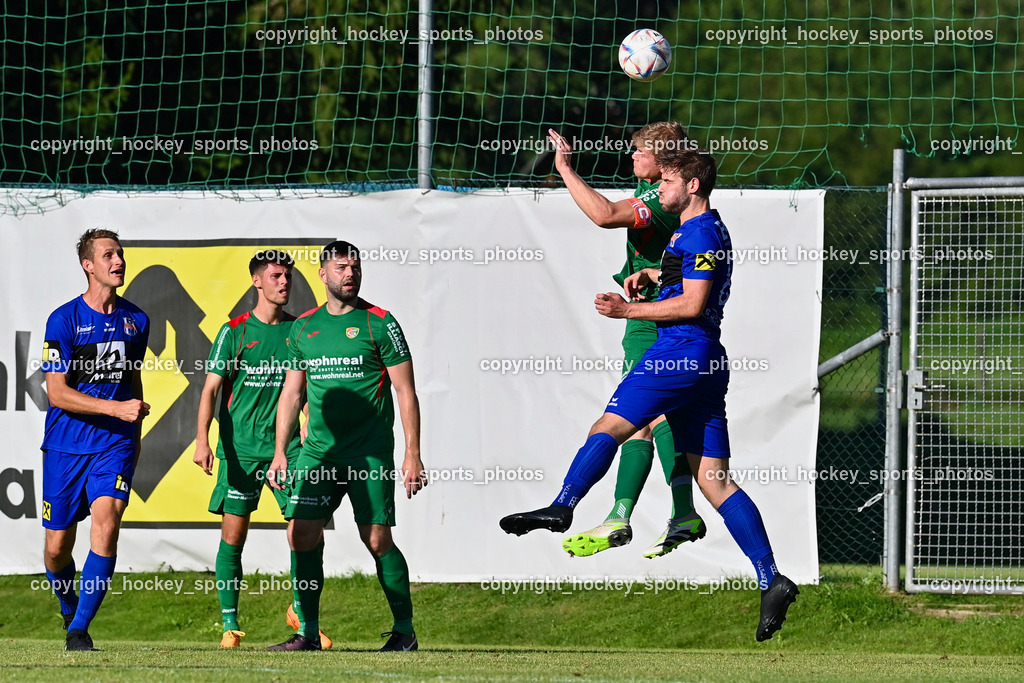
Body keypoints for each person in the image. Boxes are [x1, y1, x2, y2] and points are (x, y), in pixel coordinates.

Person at [500, 149, 799, 641]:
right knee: (714, 481)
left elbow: (695, 301)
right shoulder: (703, 229)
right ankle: (771, 578)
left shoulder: (699, 231)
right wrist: (656, 277)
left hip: (679, 352)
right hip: (705, 362)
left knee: (609, 427)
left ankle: (563, 505)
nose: (658, 190)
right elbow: (692, 280)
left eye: (667, 183)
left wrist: (626, 312)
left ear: (693, 186)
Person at [546, 123, 705, 559]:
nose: (632, 159)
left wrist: (565, 168)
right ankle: (658, 512)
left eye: (639, 153)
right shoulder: (655, 184)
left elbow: (603, 215)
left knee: (639, 417)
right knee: (648, 419)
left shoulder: (660, 197)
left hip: (653, 317)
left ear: (666, 164)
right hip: (653, 311)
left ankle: (645, 513)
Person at [266, 240, 427, 652]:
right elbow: (292, 393)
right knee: (301, 534)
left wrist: (412, 453)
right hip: (319, 453)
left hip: (368, 454)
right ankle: (308, 632)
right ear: (323, 274)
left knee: (376, 539)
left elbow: (405, 391)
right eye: (340, 267)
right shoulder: (303, 328)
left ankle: (404, 631)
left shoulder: (379, 322)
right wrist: (281, 451)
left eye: (354, 266)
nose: (349, 273)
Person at [193, 250, 332, 649]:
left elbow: (302, 387)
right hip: (241, 452)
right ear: (257, 281)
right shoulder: (233, 331)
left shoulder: (299, 331)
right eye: (275, 276)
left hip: (287, 452)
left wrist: (309, 419)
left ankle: (303, 616)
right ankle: (230, 625)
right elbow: (210, 390)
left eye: (287, 276)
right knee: (233, 537)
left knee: (306, 533)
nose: (284, 282)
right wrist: (203, 440)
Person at [40, 228, 151, 651]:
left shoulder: (136, 319)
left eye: (120, 254)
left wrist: (133, 434)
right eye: (108, 255)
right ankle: (69, 608)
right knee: (56, 549)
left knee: (107, 524)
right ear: (88, 265)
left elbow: (133, 382)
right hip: (66, 445)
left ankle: (79, 629)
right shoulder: (63, 319)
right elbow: (57, 393)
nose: (118, 261)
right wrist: (115, 408)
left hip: (115, 444)